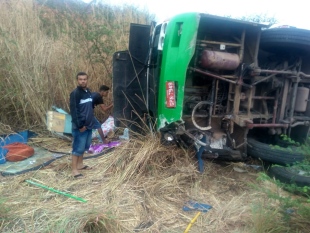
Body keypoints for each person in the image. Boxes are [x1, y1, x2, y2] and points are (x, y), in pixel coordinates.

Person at [69, 72, 100, 178]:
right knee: (77, 148)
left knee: (84, 147)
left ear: (87, 80)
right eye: (80, 79)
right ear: (77, 81)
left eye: (85, 79)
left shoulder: (88, 91)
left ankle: (80, 164)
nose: (83, 81)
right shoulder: (75, 93)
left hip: (88, 125)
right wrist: (80, 125)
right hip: (80, 127)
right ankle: (74, 170)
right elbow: (74, 111)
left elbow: (89, 108)